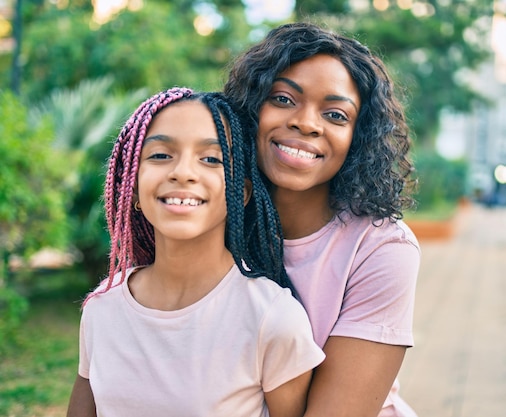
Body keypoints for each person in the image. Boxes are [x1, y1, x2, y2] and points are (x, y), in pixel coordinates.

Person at [66, 88, 325, 417]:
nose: (183, 172)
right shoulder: (102, 310)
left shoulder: (272, 319)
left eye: (211, 159)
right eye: (160, 155)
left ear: (240, 193)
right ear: (132, 189)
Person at [224, 22, 421, 417]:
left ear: (358, 136)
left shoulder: (382, 248)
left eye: (335, 114)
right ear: (249, 109)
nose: (307, 123)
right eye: (282, 99)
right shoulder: (212, 218)